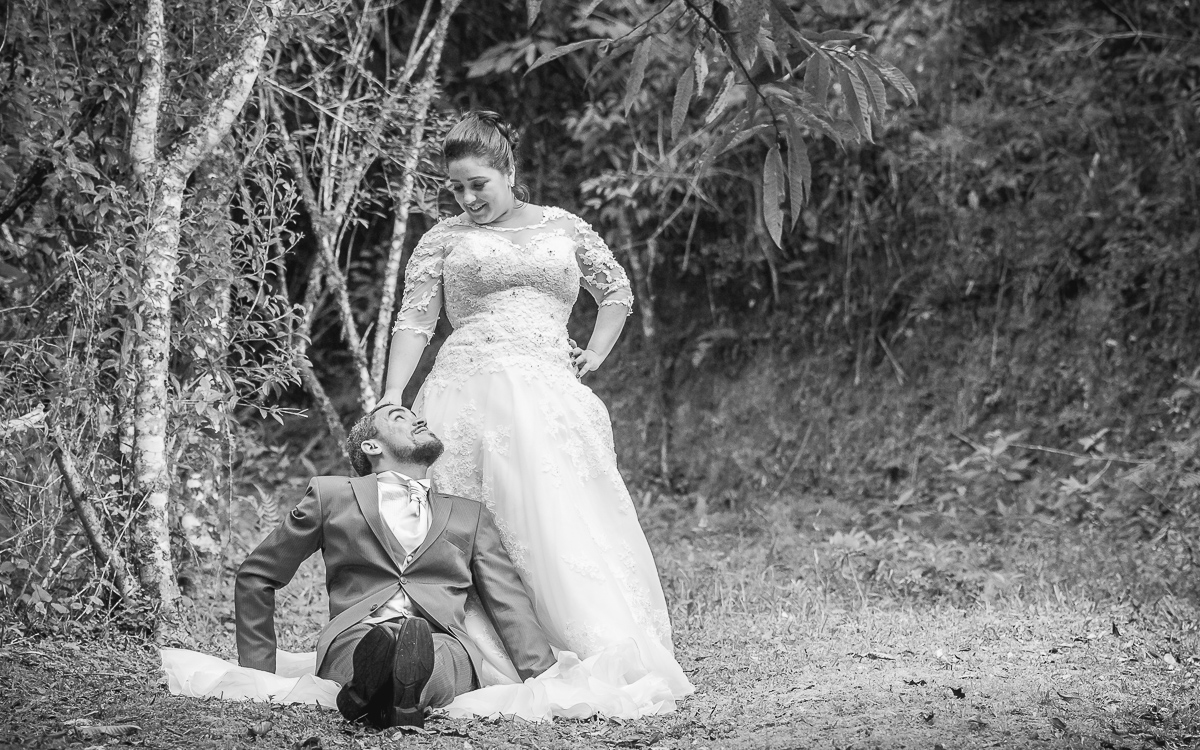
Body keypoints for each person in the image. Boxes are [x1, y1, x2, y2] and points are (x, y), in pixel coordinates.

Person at [376, 110, 694, 713]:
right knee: (481, 523)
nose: (467, 198)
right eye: (456, 188)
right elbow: (415, 322)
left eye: (478, 184)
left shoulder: (563, 226)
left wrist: (594, 352)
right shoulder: (442, 239)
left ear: (509, 171)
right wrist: (393, 395)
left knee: (560, 513)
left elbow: (616, 291)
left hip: (550, 387)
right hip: (468, 387)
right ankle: (462, 655)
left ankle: (586, 642)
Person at [234, 404, 555, 728]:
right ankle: (399, 697)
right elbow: (258, 574)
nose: (420, 420)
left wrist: (545, 678)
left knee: (436, 657)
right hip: (356, 634)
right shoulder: (330, 496)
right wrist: (257, 673)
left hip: (443, 639)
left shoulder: (469, 515)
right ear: (372, 446)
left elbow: (507, 600)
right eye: (399, 417)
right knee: (369, 650)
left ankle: (374, 694)